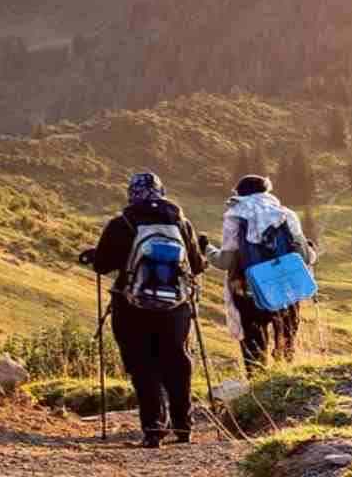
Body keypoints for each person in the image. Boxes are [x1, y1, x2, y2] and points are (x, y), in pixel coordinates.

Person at [80, 173, 204, 448]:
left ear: (132, 194)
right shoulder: (181, 222)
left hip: (131, 305)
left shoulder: (121, 223)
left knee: (142, 364)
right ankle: (183, 428)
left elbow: (101, 265)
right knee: (177, 362)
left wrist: (93, 255)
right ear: (161, 192)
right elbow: (196, 266)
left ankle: (153, 430)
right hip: (176, 307)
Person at [203, 175, 315, 375]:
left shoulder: (235, 216)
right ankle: (286, 380)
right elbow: (305, 257)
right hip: (285, 286)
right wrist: (310, 248)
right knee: (286, 340)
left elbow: (225, 262)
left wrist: (206, 248)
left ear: (239, 194)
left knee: (254, 346)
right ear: (266, 191)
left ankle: (256, 384)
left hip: (248, 290)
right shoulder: (286, 214)